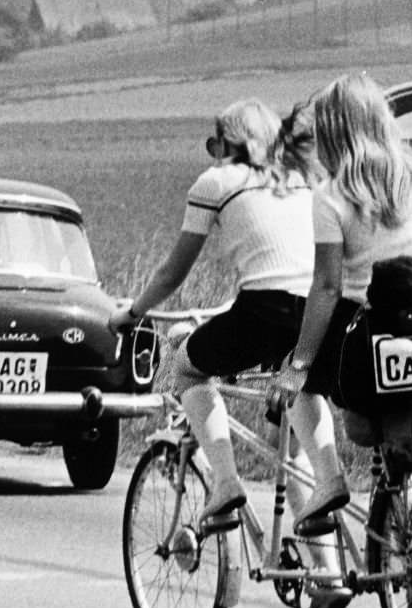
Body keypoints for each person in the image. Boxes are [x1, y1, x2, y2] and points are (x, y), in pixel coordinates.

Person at [272, 72, 412, 608]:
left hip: (363, 339)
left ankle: (329, 480)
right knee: (401, 462)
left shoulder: (332, 196)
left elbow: (325, 289)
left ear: (337, 130)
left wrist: (296, 367)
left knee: (296, 381)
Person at [109, 98, 318, 533]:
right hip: (317, 316)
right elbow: (287, 264)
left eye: (213, 143)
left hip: (264, 311)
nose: (213, 152)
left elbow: (173, 271)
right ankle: (327, 574)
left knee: (187, 370)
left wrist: (132, 311)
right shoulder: (299, 178)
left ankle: (225, 483)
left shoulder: (216, 181)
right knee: (293, 452)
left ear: (227, 143)